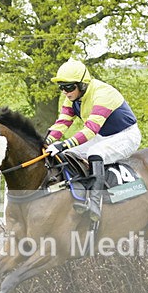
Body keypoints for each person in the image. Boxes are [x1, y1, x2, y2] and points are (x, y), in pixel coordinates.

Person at [43, 58, 142, 222]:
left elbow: (90, 130)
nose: (65, 92)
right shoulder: (72, 98)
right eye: (62, 87)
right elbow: (62, 123)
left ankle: (96, 202)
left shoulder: (103, 94)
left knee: (94, 152)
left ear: (82, 84)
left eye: (69, 87)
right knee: (67, 155)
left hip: (126, 135)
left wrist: (62, 144)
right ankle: (77, 194)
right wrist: (46, 142)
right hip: (102, 136)